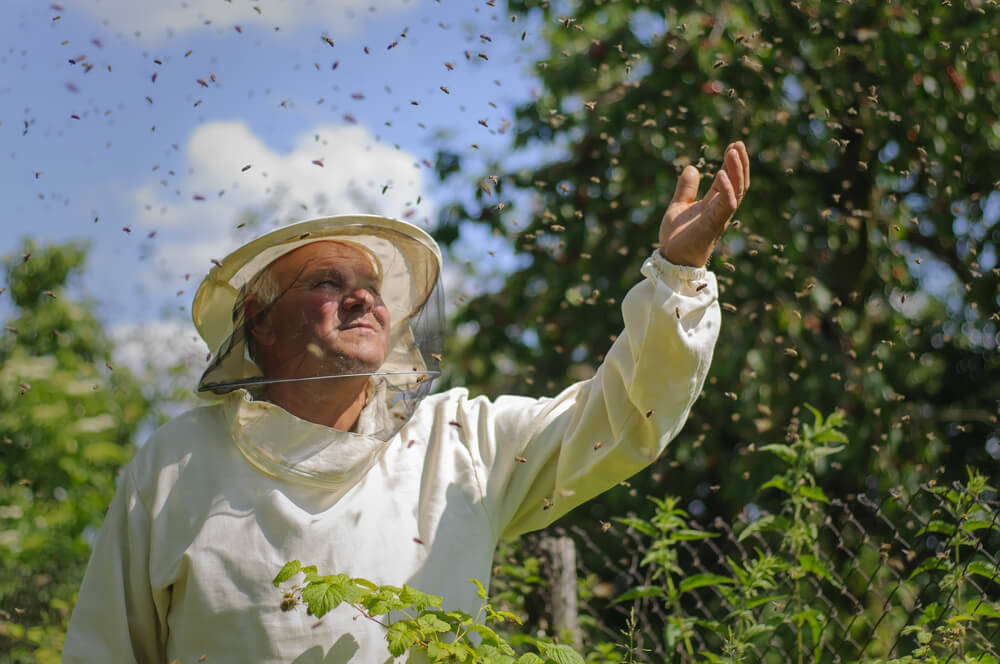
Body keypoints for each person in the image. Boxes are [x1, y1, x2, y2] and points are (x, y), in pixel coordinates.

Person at [63, 143, 750, 662]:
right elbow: (105, 648)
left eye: (371, 284)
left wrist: (677, 277)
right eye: (328, 282)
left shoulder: (460, 440)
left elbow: (626, 415)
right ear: (260, 319)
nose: (363, 297)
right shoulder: (177, 464)